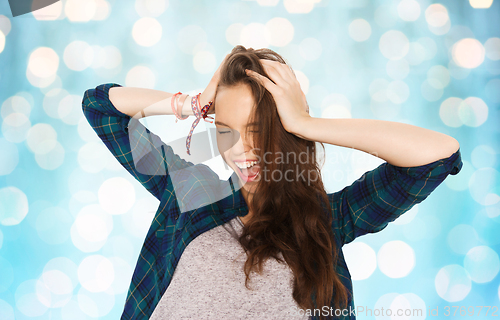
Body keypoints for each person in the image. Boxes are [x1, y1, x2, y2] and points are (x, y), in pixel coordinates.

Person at [81, 45, 463, 320]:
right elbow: (100, 107)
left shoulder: (328, 221)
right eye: (227, 131)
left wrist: (305, 124)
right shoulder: (191, 191)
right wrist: (191, 104)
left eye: (259, 131)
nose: (242, 150)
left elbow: (437, 156)